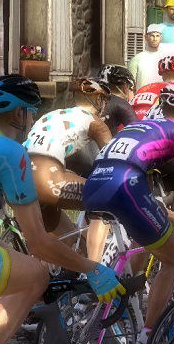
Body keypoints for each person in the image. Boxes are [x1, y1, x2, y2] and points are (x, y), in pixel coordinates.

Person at [0, 76, 126, 344]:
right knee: (35, 277)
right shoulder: (11, 152)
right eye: (32, 111)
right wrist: (92, 268)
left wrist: (25, 266)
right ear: (19, 114)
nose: (32, 119)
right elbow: (38, 243)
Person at [82, 84, 174, 344]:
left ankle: (119, 289)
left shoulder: (141, 125)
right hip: (125, 183)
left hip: (94, 182)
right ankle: (146, 340)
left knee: (149, 229)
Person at [25, 78, 113, 233]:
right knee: (114, 197)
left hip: (20, 176)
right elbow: (114, 159)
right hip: (47, 179)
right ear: (99, 100)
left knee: (65, 237)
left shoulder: (54, 114)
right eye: (104, 101)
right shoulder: (95, 122)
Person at [97, 64, 139, 133]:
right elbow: (136, 132)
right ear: (126, 87)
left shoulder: (93, 99)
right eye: (131, 89)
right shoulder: (122, 104)